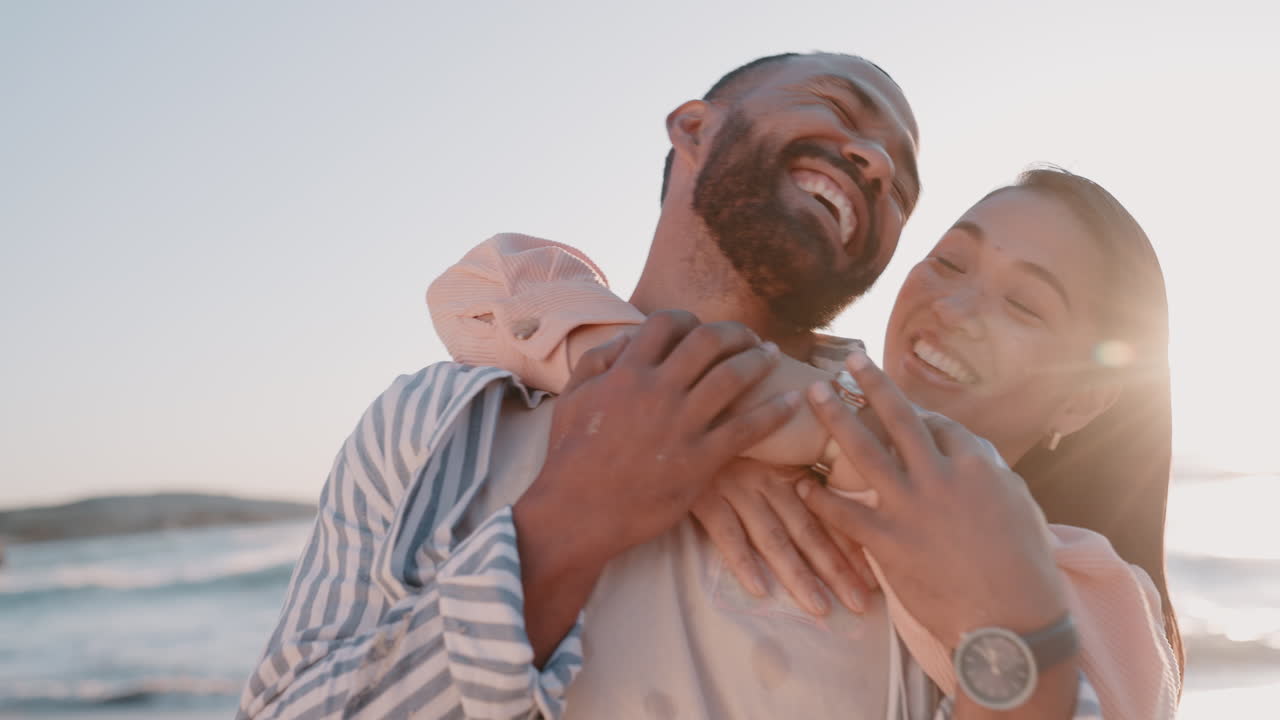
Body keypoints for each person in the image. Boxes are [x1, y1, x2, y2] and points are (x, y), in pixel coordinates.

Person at [239, 52, 1113, 719]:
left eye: (903, 180)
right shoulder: (434, 420)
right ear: (694, 129)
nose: (878, 162)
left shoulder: (920, 497)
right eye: (841, 110)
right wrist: (564, 524)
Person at [427, 166, 1185, 718]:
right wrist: (692, 425)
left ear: (1085, 400)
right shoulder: (795, 389)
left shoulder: (1090, 588)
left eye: (1025, 304)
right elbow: (489, 286)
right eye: (950, 261)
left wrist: (766, 428)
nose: (955, 306)